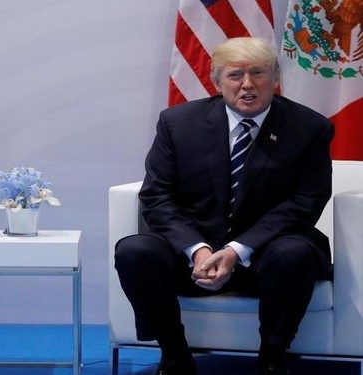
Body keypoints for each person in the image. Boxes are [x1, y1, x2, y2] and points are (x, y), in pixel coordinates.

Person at [114, 37, 333, 375]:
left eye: (258, 73)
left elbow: (306, 202)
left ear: (275, 77)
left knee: (296, 253)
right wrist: (197, 249)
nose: (248, 85)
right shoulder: (178, 123)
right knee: (134, 250)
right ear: (216, 81)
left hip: (265, 255)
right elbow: (156, 197)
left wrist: (235, 250)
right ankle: (174, 354)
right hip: (193, 257)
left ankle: (273, 358)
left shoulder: (310, 128)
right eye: (235, 75)